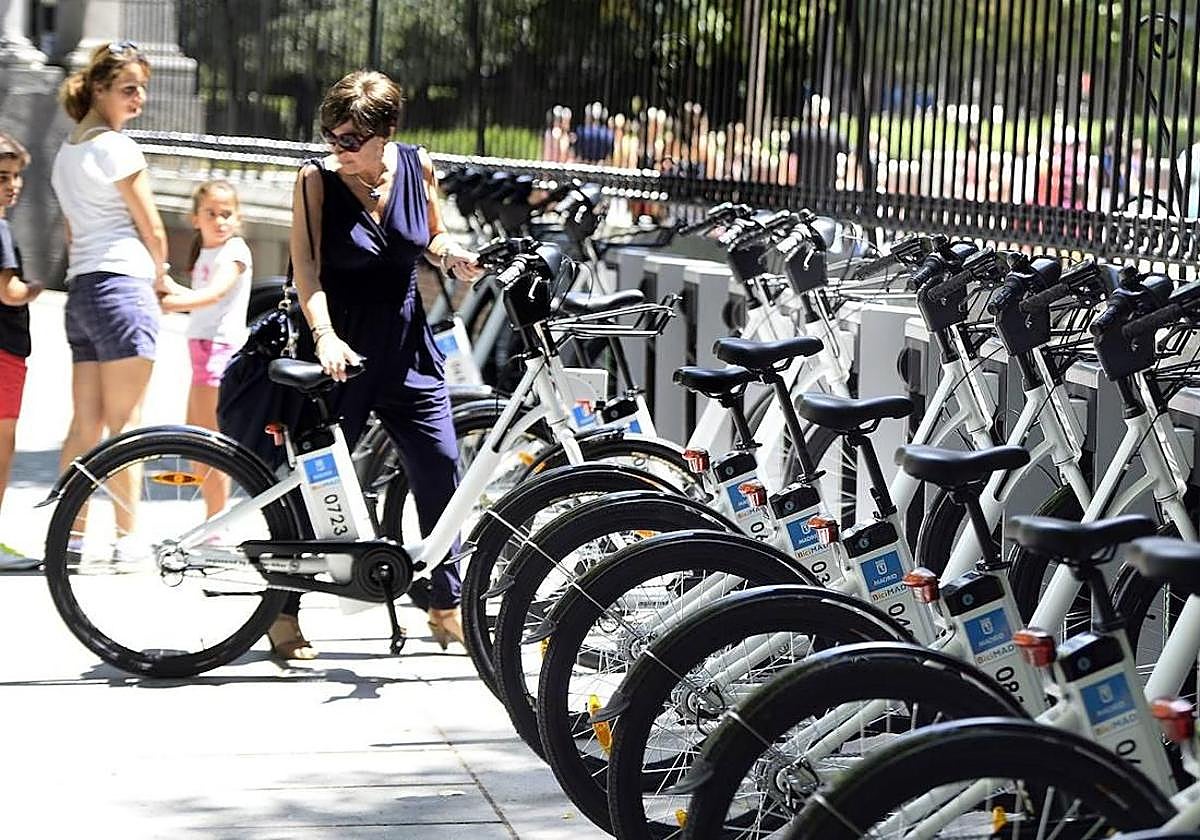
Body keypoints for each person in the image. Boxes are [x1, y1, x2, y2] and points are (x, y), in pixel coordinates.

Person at [280, 70, 481, 661]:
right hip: (339, 345)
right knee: (311, 483)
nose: (336, 148)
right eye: (331, 135)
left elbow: (430, 238)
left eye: (349, 139)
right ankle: (283, 615)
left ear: (386, 132)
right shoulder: (315, 180)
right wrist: (324, 337)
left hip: (407, 343)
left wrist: (454, 257)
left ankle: (444, 606)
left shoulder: (417, 169)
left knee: (442, 468)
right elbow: (306, 272)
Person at [50, 41, 167, 557]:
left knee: (85, 423)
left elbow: (74, 235)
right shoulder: (117, 147)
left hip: (82, 292)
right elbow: (153, 228)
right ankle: (126, 541)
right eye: (127, 89)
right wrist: (162, 278)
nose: (138, 97)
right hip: (122, 286)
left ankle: (69, 541)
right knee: (127, 424)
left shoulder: (67, 151)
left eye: (142, 88)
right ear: (98, 90)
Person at [158, 180, 252, 517]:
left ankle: (217, 521)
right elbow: (200, 295)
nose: (220, 220)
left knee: (209, 441)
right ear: (195, 218)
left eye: (227, 213)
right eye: (211, 213)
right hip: (201, 350)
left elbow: (214, 293)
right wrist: (165, 285)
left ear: (237, 218)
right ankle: (212, 519)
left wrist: (173, 304)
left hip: (219, 350)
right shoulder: (207, 252)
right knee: (196, 438)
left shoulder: (235, 251)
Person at [0, 133, 45, 570]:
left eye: (15, 177)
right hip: (5, 353)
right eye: (1, 177)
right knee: (2, 447)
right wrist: (35, 287)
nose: (12, 185)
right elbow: (8, 291)